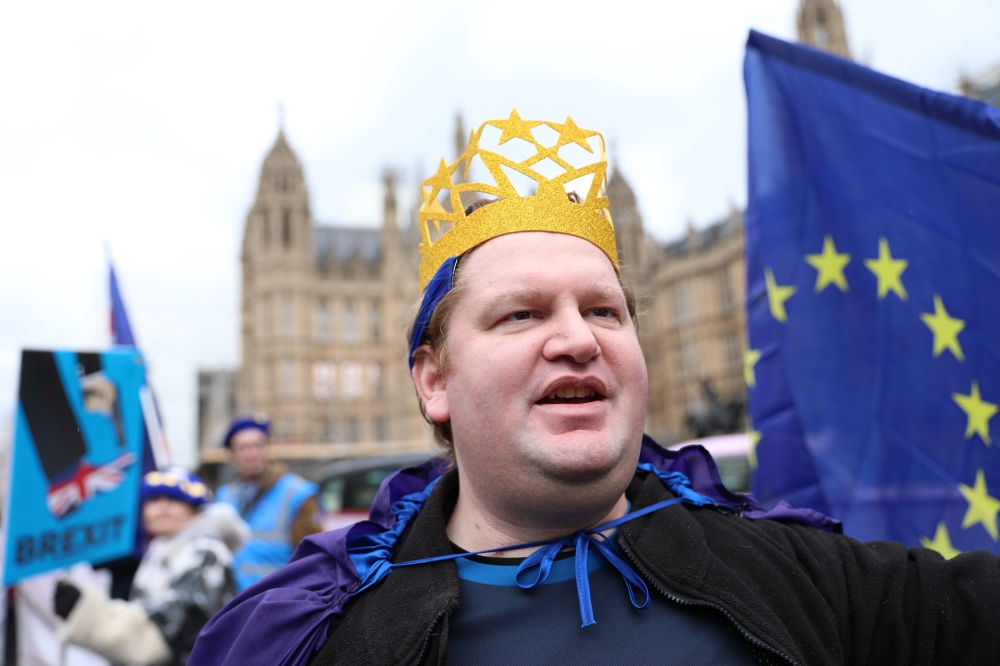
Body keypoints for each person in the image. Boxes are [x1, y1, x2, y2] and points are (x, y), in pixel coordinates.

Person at [191, 112, 1000, 666]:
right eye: (520, 314)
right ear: (432, 380)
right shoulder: (319, 637)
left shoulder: (795, 575)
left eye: (606, 309)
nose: (576, 336)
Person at [54, 468, 248, 666]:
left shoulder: (205, 551)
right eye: (154, 500)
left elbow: (165, 632)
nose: (162, 508)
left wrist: (87, 611)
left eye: (173, 500)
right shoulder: (161, 549)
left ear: (195, 509)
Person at [215, 415, 320, 590]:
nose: (251, 453)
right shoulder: (224, 496)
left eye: (257, 445)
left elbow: (312, 561)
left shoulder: (297, 493)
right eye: (242, 447)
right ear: (231, 454)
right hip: (232, 605)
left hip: (276, 604)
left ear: (267, 448)